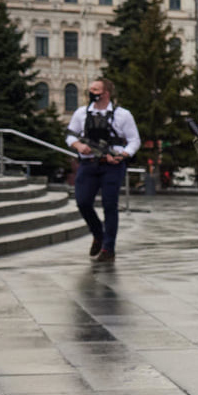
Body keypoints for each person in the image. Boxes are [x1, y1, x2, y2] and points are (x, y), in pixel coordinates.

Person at [65, 77, 140, 263]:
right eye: (90, 89)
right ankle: (98, 234)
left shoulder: (123, 115)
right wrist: (78, 146)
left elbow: (134, 141)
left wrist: (122, 155)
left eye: (96, 89)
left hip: (111, 166)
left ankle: (108, 248)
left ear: (106, 93)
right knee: (82, 202)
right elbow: (70, 135)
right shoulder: (81, 113)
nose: (92, 93)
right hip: (88, 164)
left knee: (109, 205)